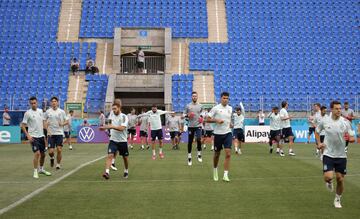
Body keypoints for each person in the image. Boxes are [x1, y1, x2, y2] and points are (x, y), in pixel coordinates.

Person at [315, 100, 355, 208]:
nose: (339, 110)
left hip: (341, 155)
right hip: (328, 153)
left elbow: (352, 137)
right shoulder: (325, 121)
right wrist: (319, 143)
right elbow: (317, 131)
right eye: (336, 108)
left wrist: (351, 138)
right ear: (331, 109)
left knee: (340, 179)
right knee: (328, 177)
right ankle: (328, 182)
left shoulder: (346, 122)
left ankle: (337, 199)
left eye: (340, 108)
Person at [21, 96, 52, 178]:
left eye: (34, 103)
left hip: (41, 136)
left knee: (43, 155)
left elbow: (43, 123)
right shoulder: (27, 113)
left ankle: (41, 169)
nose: (33, 104)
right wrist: (28, 135)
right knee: (37, 153)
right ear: (30, 104)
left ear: (37, 103)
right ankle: (35, 171)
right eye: (32, 103)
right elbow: (22, 125)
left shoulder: (40, 111)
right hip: (33, 136)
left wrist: (47, 132)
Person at [207, 92, 233, 182]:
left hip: (228, 133)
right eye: (224, 98)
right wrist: (216, 120)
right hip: (218, 134)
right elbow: (208, 119)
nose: (225, 100)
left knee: (228, 153)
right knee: (217, 154)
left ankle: (225, 175)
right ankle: (215, 169)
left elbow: (229, 120)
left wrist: (231, 124)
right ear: (220, 98)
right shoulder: (216, 108)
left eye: (227, 98)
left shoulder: (230, 108)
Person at [100, 102, 129, 180]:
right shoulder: (111, 115)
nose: (113, 110)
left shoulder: (124, 117)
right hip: (113, 140)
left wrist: (112, 126)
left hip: (122, 141)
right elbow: (109, 125)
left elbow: (122, 128)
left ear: (119, 108)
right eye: (112, 109)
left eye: (115, 109)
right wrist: (104, 127)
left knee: (125, 158)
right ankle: (107, 172)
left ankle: (126, 170)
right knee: (110, 155)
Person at [44, 97, 68, 170]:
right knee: (50, 151)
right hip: (50, 134)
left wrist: (62, 124)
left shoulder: (61, 111)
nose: (54, 103)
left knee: (59, 149)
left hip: (59, 133)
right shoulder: (48, 112)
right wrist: (47, 130)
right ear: (51, 103)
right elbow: (44, 121)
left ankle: (58, 164)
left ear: (57, 102)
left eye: (55, 101)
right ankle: (52, 157)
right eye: (52, 101)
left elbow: (67, 121)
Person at [183, 91, 204, 166]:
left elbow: (202, 113)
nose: (194, 97)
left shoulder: (200, 105)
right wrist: (188, 115)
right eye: (193, 96)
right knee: (190, 141)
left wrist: (201, 117)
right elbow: (183, 114)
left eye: (195, 96)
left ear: (197, 97)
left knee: (199, 139)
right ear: (191, 97)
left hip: (198, 125)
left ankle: (199, 154)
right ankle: (189, 157)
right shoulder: (188, 106)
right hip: (190, 126)